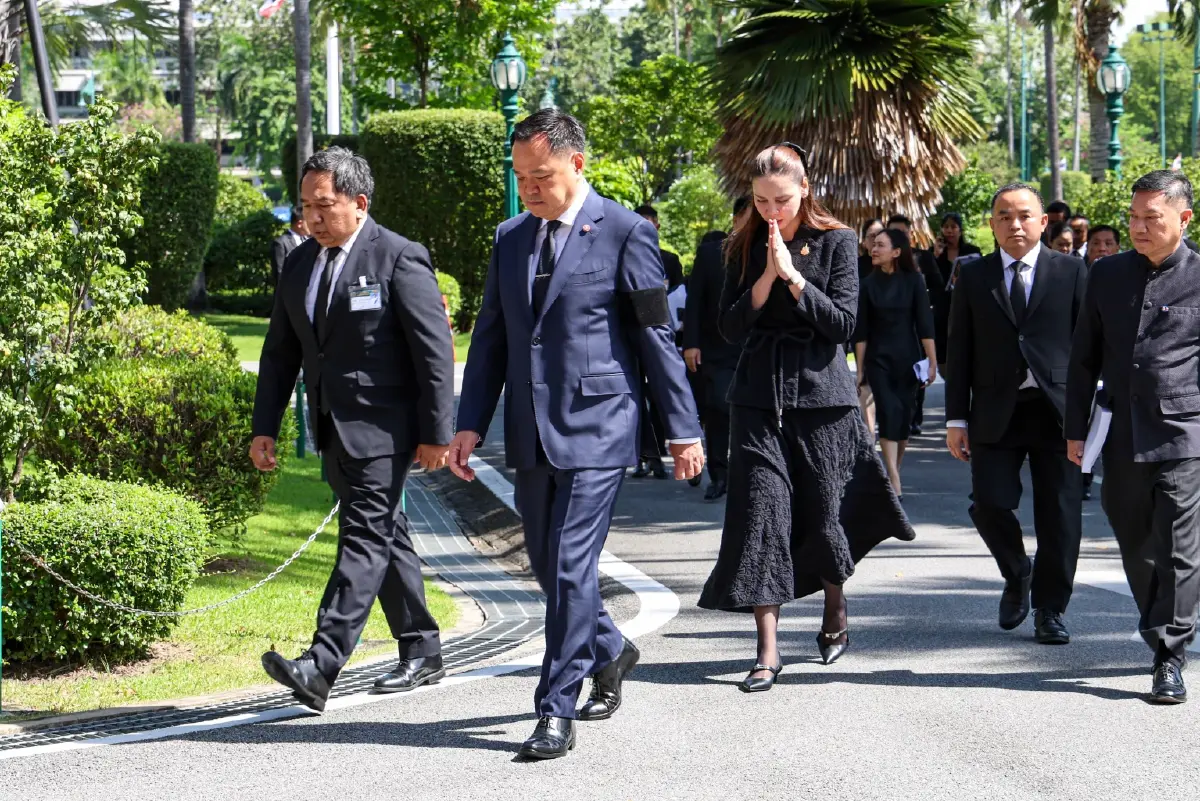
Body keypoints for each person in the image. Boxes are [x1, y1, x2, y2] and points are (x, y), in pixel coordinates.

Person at [450, 109, 703, 759]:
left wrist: (682, 429)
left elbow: (655, 338)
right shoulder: (510, 237)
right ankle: (612, 649)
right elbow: (492, 339)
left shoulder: (624, 232)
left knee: (568, 564)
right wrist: (470, 422)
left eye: (542, 176)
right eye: (521, 178)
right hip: (530, 430)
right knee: (548, 562)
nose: (529, 189)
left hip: (600, 425)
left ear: (577, 164)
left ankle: (553, 709)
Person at [698, 143, 914, 692]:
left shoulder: (839, 241)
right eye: (762, 200)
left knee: (824, 510)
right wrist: (765, 278)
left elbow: (842, 324)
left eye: (784, 200)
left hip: (822, 397)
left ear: (805, 191)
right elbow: (727, 327)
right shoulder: (739, 245)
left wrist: (794, 277)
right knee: (760, 515)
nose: (773, 211)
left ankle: (834, 605)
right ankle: (766, 653)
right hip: (757, 397)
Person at [250, 147, 455, 712]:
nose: (313, 217)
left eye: (325, 205)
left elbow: (433, 352)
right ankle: (422, 647)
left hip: (386, 431)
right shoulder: (299, 262)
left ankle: (321, 663)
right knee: (386, 534)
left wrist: (437, 432)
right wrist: (264, 425)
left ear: (359, 203)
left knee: (363, 539)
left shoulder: (397, 258)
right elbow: (280, 352)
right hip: (332, 427)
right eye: (305, 206)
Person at [1065, 170, 1200, 704]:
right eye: (1134, 217)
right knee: (1135, 541)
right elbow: (1084, 358)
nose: (1139, 228)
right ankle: (1159, 628)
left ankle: (1169, 655)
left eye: (1152, 218)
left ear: (1183, 219)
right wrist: (1076, 429)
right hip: (1120, 431)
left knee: (1179, 550)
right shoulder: (1106, 274)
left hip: (1185, 432)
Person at [945, 182, 1087, 645]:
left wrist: (1093, 413)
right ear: (992, 224)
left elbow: (1089, 348)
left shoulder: (1072, 272)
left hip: (1057, 414)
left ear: (1044, 222)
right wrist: (955, 419)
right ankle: (1016, 570)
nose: (1015, 224)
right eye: (1004, 216)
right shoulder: (973, 275)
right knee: (989, 503)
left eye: (1024, 215)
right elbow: (959, 350)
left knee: (1060, 515)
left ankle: (1050, 609)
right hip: (994, 412)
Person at [854, 228, 937, 499]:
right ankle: (893, 479)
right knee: (889, 412)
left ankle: (894, 470)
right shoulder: (866, 285)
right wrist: (861, 369)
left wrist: (932, 361)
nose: (873, 250)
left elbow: (925, 325)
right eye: (873, 245)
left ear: (897, 252)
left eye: (880, 245)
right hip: (879, 361)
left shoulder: (914, 281)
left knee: (903, 418)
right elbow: (862, 333)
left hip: (909, 361)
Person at [683, 197, 753, 500]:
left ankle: (750, 473)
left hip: (757, 348)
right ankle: (719, 474)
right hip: (717, 347)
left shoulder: (771, 252)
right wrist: (691, 343)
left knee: (753, 413)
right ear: (737, 218)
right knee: (719, 409)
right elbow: (695, 300)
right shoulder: (710, 253)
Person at [632, 204, 684, 479]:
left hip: (665, 338)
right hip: (633, 342)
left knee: (661, 396)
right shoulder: (622, 257)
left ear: (657, 227)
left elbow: (680, 298)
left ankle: (662, 451)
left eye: (648, 224)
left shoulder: (670, 260)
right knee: (637, 399)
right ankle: (644, 456)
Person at [886, 214, 942, 436]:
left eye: (902, 232)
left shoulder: (924, 258)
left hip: (917, 325)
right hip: (889, 328)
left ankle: (914, 416)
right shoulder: (881, 260)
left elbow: (939, 287)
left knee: (916, 373)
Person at [931, 212, 982, 370]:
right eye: (946, 227)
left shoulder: (971, 251)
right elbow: (929, 278)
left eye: (953, 226)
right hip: (942, 308)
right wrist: (935, 255)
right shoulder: (934, 253)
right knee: (944, 352)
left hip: (965, 304)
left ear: (960, 230)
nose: (950, 231)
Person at [271, 207, 308, 286]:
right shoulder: (281, 243)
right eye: (308, 221)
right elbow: (279, 273)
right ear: (300, 224)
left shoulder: (310, 241)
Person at [857, 217, 884, 281]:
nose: (877, 239)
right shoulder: (856, 266)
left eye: (880, 234)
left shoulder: (893, 265)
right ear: (864, 241)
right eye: (872, 236)